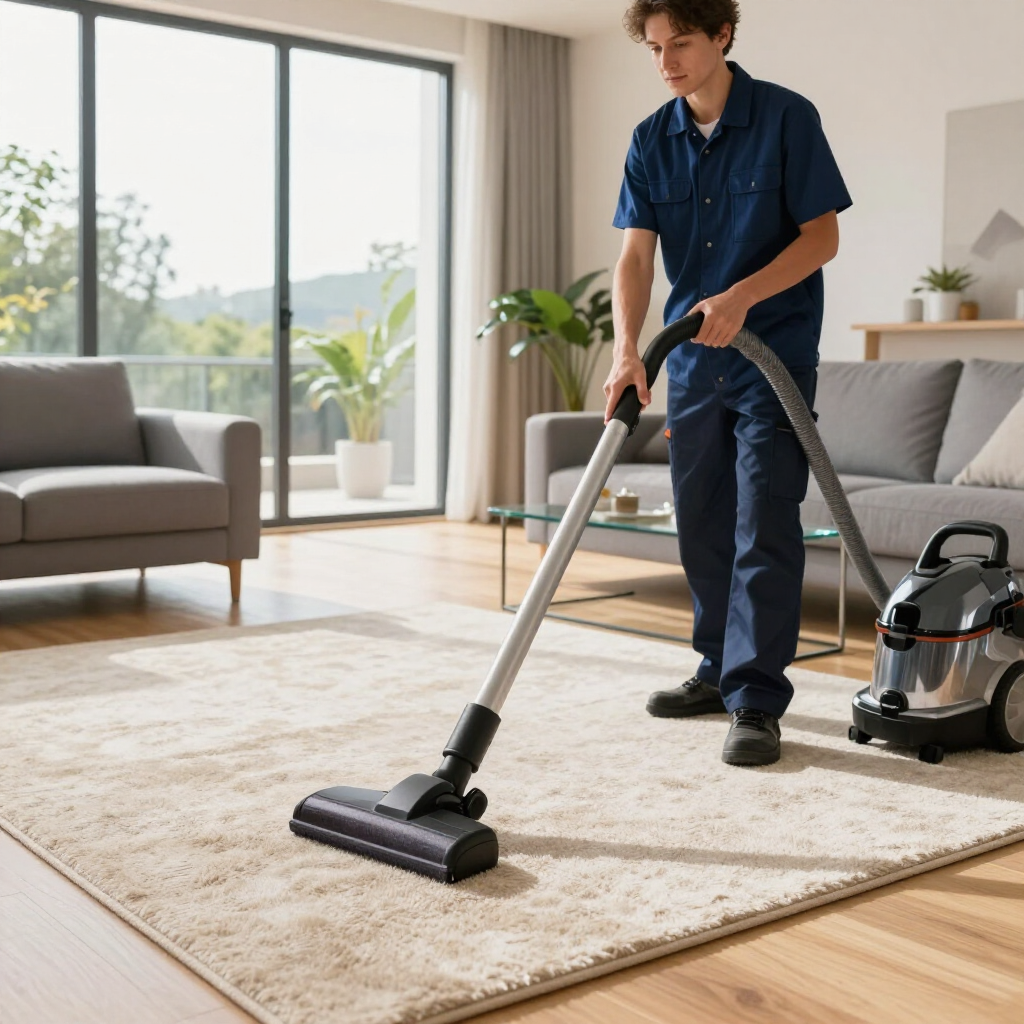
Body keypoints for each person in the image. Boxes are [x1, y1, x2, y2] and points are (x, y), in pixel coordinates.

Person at [605, 0, 852, 765]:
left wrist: (743, 294)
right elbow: (637, 257)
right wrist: (625, 349)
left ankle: (754, 698)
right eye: (653, 48)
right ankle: (715, 670)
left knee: (762, 523)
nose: (667, 61)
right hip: (693, 364)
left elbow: (823, 238)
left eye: (680, 42)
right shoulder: (652, 138)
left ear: (722, 35)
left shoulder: (785, 118)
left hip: (771, 358)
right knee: (702, 522)